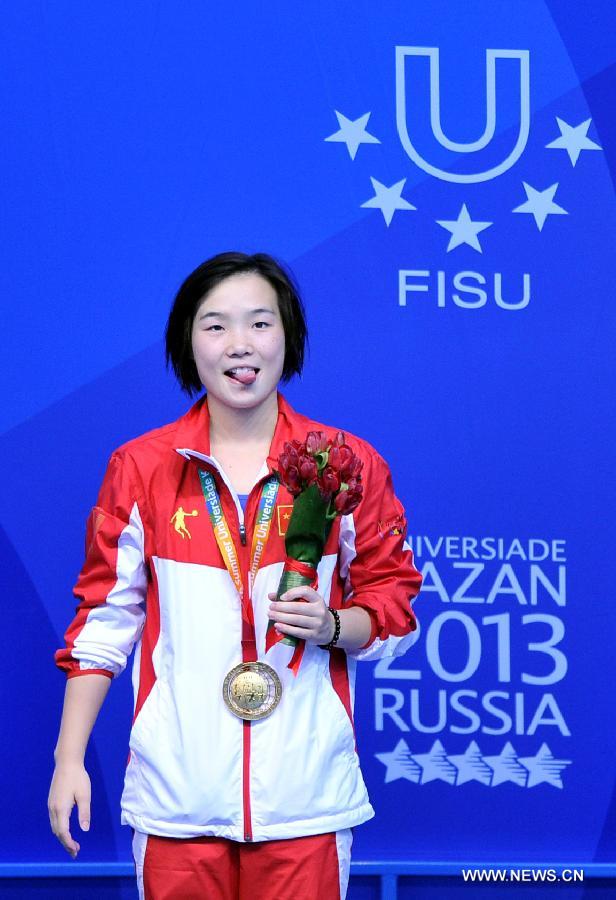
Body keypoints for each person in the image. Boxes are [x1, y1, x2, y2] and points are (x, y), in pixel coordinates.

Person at [48, 251, 423, 900]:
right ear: (186, 342)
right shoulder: (141, 468)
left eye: (260, 323)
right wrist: (68, 759)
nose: (240, 345)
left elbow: (394, 609)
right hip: (175, 800)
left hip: (307, 801)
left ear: (288, 337)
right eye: (215, 325)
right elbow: (102, 625)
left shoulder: (346, 464)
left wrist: (335, 624)